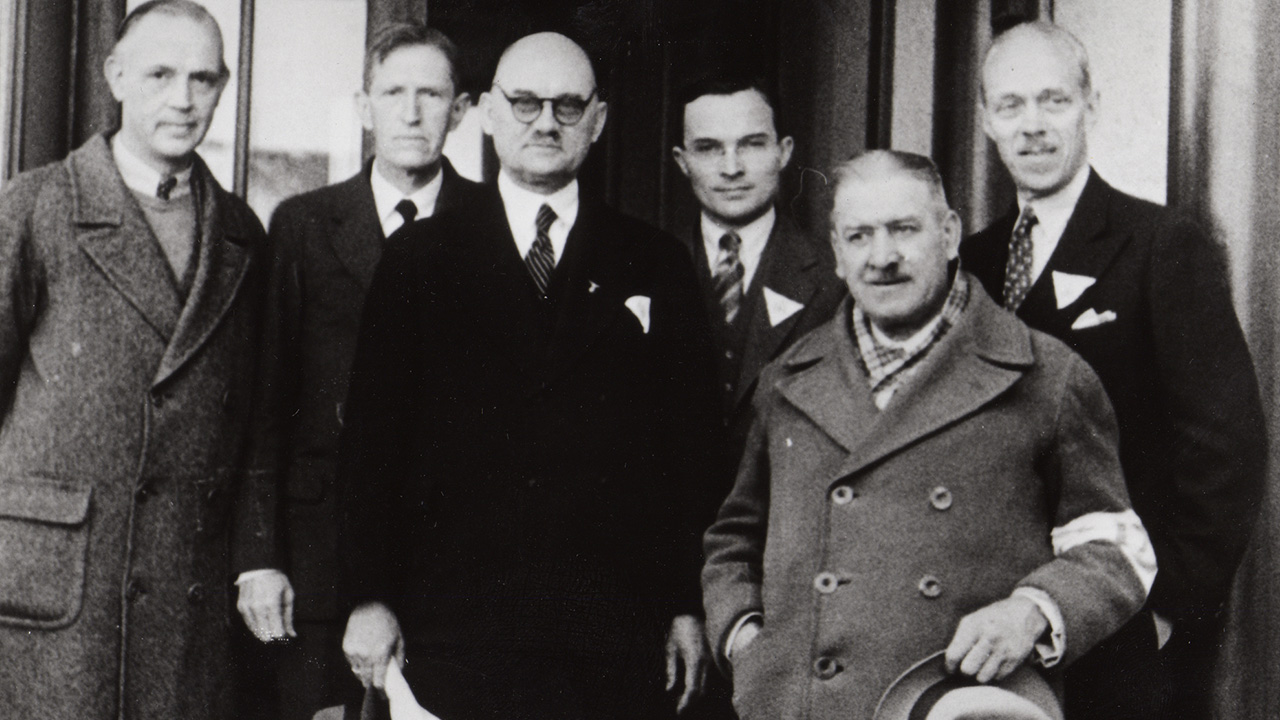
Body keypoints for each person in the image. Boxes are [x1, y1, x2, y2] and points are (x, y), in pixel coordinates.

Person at [336, 31, 719, 720]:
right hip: (453, 629)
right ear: (487, 112)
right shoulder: (420, 257)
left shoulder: (653, 261)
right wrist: (369, 597)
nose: (546, 122)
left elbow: (688, 451)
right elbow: (373, 442)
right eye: (525, 103)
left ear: (598, 120)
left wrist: (685, 604)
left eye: (568, 105)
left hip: (609, 633)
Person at [702, 150, 1155, 720]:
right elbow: (734, 540)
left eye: (904, 229)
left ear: (949, 234)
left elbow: (1117, 547)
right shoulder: (786, 381)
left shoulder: (1046, 376)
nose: (882, 257)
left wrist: (1032, 611)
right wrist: (745, 641)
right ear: (837, 254)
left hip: (958, 704)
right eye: (860, 236)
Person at [959, 21, 1267, 720]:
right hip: (990, 625)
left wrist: (1168, 608)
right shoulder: (971, 263)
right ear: (986, 120)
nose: (1032, 126)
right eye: (1011, 105)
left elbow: (1226, 446)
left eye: (1054, 100)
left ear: (1090, 106)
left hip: (1121, 626)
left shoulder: (1161, 243)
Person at [0, 1, 290, 718]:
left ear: (222, 88)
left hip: (185, 592)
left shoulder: (241, 234)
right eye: (161, 74)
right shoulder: (37, 207)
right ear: (116, 76)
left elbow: (257, 422)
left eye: (202, 78)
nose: (183, 99)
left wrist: (256, 555)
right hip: (57, 588)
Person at [250, 23, 485, 720]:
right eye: (393, 93)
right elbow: (267, 404)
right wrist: (260, 556)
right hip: (318, 566)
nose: (411, 113)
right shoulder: (304, 224)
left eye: (431, 95)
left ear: (461, 110)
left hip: (453, 565)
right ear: (363, 107)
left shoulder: (490, 223)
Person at [671, 74, 845, 501]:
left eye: (751, 144)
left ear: (784, 151)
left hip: (786, 518)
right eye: (708, 148)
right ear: (682, 160)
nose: (732, 168)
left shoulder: (836, 276)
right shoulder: (647, 269)